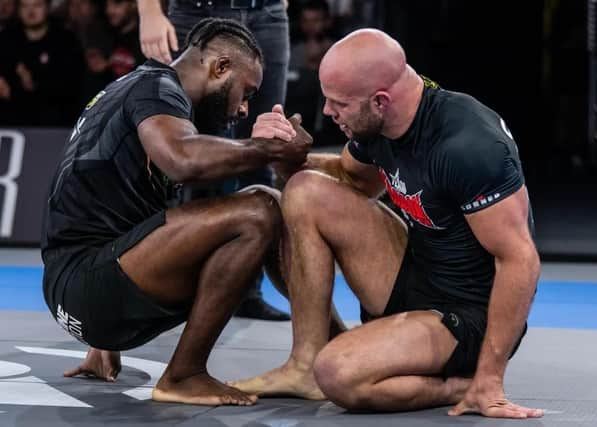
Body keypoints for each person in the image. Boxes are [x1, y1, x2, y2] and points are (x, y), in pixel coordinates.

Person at [230, 29, 544, 419]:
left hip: (466, 316)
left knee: (340, 375)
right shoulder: (380, 123)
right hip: (418, 272)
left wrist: (489, 378)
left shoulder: (469, 147)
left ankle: (461, 384)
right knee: (303, 190)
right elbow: (354, 179)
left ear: (381, 101)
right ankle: (303, 365)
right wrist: (284, 155)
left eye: (339, 103)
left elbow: (521, 260)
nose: (328, 112)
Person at [42, 17, 311, 406]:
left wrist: (101, 341)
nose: (245, 108)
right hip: (86, 286)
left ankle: (324, 343)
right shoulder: (158, 89)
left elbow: (103, 203)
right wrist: (269, 151)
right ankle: (185, 375)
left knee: (256, 204)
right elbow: (182, 159)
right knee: (259, 210)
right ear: (220, 67)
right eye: (246, 92)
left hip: (80, 291)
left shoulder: (141, 90)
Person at [136, 0, 292, 321]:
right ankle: (174, 285)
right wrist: (149, 11)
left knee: (263, 148)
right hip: (196, 13)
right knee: (187, 157)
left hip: (268, 14)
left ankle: (245, 289)